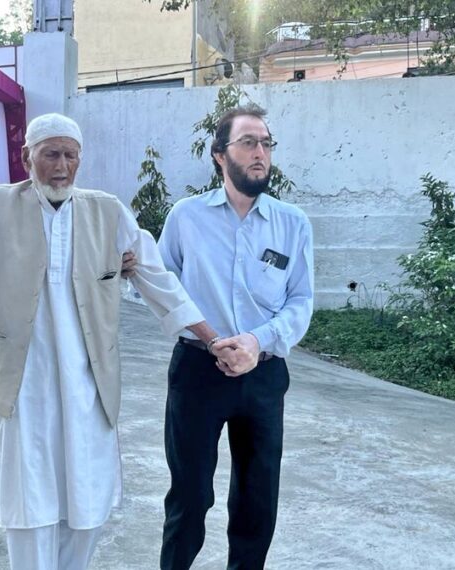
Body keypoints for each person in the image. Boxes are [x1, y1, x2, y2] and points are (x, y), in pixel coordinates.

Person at [0, 113, 253, 570]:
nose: (61, 166)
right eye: (50, 155)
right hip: (20, 387)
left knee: (84, 502)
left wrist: (211, 337)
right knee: (28, 502)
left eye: (70, 155)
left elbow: (157, 278)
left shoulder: (107, 210)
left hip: (88, 385)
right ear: (27, 158)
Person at [157, 105, 315, 569]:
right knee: (189, 497)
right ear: (219, 156)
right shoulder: (186, 217)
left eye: (266, 143)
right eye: (248, 143)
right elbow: (162, 287)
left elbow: (301, 301)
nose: (260, 153)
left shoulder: (292, 223)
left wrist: (256, 342)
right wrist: (210, 340)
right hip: (197, 372)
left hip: (262, 376)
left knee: (257, 497)